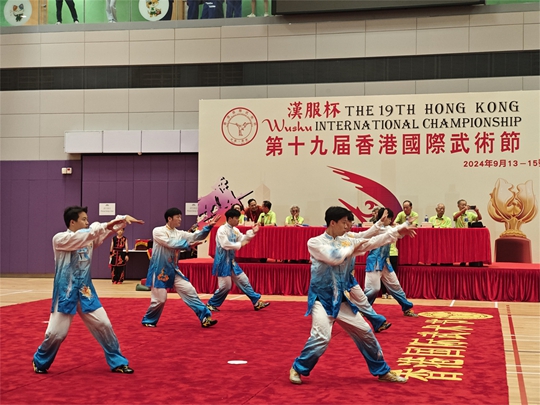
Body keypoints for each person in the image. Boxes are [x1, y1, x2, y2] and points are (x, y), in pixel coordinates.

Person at [289, 206, 417, 385]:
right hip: (321, 299)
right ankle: (298, 368)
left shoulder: (347, 240)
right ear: (332, 223)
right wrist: (353, 245)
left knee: (365, 332)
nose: (347, 226)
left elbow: (371, 242)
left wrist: (397, 231)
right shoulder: (315, 243)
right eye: (344, 222)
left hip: (341, 299)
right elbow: (334, 257)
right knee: (322, 338)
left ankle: (382, 371)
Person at [32, 206, 144, 374]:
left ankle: (118, 362)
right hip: (65, 293)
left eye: (87, 219)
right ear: (72, 222)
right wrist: (105, 225)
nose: (87, 222)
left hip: (86, 292)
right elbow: (89, 234)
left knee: (104, 324)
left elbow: (104, 232)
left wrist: (122, 219)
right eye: (83, 219)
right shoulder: (60, 239)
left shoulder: (89, 238)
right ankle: (40, 360)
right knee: (57, 334)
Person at [141, 208, 221, 328]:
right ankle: (149, 320)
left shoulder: (180, 233)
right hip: (159, 270)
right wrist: (188, 245)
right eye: (177, 217)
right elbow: (170, 243)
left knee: (190, 290)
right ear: (169, 218)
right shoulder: (158, 231)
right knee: (160, 300)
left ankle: (205, 317)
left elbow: (195, 236)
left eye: (180, 217)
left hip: (173, 269)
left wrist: (208, 227)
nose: (180, 219)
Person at [206, 208, 270, 312]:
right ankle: (211, 304)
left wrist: (252, 232)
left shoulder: (235, 230)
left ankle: (256, 302)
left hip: (231, 261)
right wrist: (239, 244)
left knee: (244, 280)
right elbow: (225, 244)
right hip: (222, 262)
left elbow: (243, 238)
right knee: (225, 286)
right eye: (236, 218)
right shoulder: (222, 230)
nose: (238, 220)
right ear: (230, 218)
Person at [363, 208, 419, 317]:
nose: (390, 220)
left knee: (396, 286)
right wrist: (405, 224)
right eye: (389, 218)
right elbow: (391, 232)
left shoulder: (388, 228)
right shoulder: (375, 229)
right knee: (373, 289)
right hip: (374, 262)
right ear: (383, 217)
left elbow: (396, 231)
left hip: (385, 262)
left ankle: (406, 308)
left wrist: (406, 224)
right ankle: (364, 309)